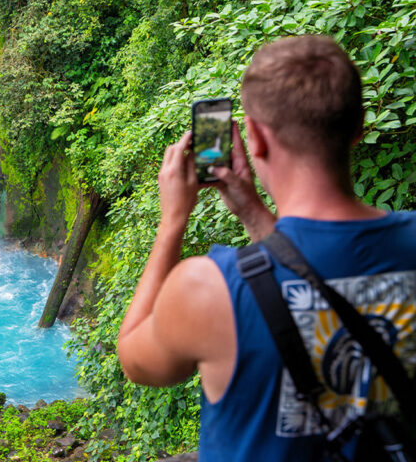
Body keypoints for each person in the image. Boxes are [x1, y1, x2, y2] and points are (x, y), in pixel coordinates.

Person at [116, 35, 416, 461]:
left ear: (253, 137)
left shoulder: (209, 288)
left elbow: (135, 360)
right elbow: (305, 273)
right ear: (361, 125)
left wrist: (171, 224)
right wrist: (253, 213)